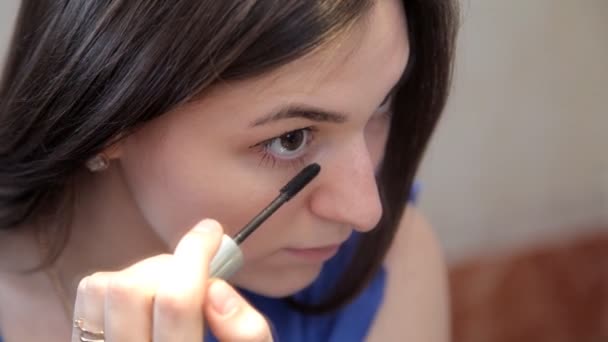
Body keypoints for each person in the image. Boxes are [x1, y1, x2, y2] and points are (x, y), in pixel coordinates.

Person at [0, 0, 458, 341]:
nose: (366, 212)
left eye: (381, 105)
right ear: (107, 115)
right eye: (290, 139)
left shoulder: (388, 263)